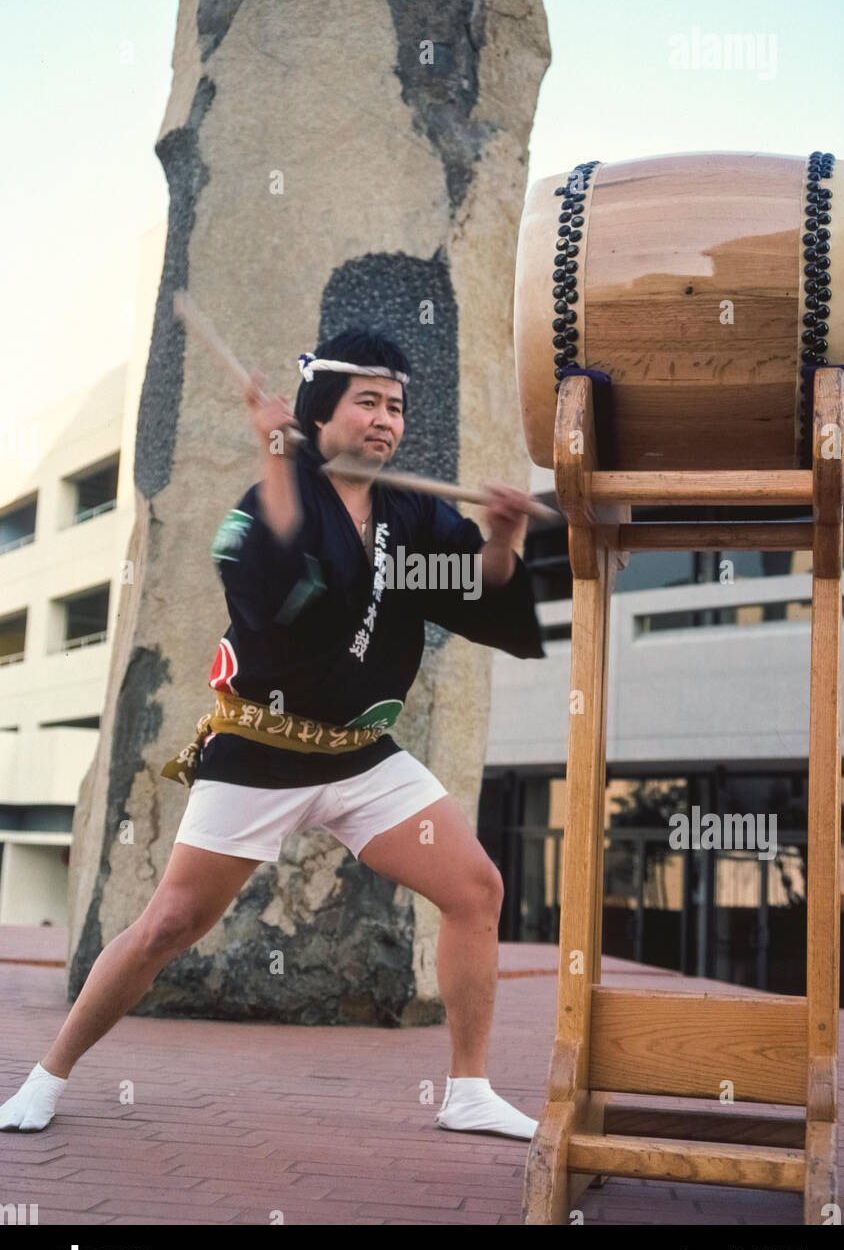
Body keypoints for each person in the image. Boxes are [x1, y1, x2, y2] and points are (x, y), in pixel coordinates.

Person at [0, 327, 546, 1141]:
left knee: (475, 890)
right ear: (321, 413)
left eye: (395, 406)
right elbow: (281, 588)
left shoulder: (410, 512)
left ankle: (468, 1091)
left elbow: (475, 590)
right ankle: (47, 1076)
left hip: (361, 755)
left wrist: (502, 535)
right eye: (366, 402)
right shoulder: (270, 501)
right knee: (170, 926)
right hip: (263, 750)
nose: (385, 421)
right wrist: (277, 463)